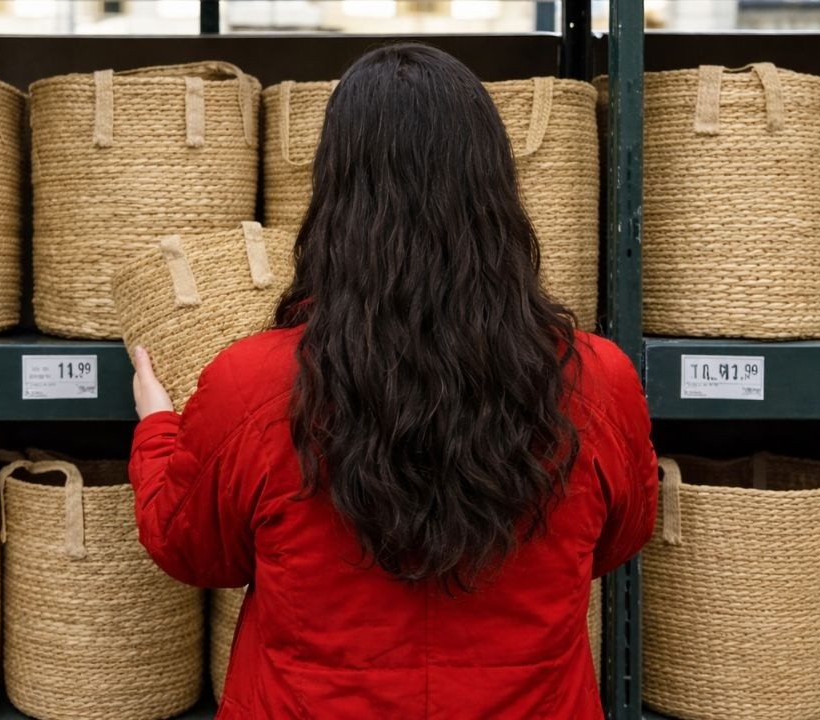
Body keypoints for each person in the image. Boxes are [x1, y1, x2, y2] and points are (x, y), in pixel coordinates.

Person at [129, 43, 657, 720]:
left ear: (336, 194)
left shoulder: (251, 383)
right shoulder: (597, 381)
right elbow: (618, 537)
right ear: (496, 192)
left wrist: (155, 428)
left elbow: (191, 547)